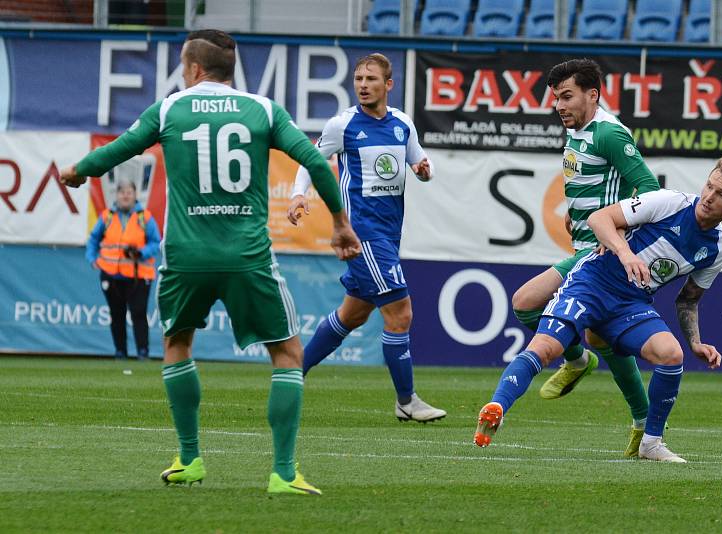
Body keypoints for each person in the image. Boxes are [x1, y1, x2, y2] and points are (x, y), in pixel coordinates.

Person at [59, 29, 361, 495]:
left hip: (185, 257)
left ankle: (189, 458)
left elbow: (119, 151)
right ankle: (283, 473)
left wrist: (78, 172)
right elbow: (318, 164)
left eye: (183, 66)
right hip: (247, 256)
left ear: (195, 69)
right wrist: (340, 224)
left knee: (178, 344)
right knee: (287, 354)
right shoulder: (262, 110)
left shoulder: (170, 109)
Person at [475, 156, 722, 462]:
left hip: (630, 305)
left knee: (672, 354)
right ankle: (497, 408)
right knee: (544, 347)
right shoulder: (670, 203)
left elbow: (688, 299)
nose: (709, 197)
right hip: (592, 284)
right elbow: (599, 219)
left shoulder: (717, 249)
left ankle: (651, 442)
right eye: (709, 186)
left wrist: (696, 342)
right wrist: (625, 252)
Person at [510, 58, 661, 456]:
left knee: (526, 304)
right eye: (556, 98)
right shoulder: (578, 131)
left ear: (592, 95)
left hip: (599, 256)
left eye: (567, 96)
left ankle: (579, 363)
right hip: (579, 248)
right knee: (598, 335)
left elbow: (648, 188)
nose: (559, 105)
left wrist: (618, 233)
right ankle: (637, 416)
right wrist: (574, 221)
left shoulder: (610, 133)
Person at [287, 53, 446, 423]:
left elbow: (422, 164)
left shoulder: (402, 123)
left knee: (352, 314)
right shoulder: (342, 125)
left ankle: (292, 375)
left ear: (388, 84)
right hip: (363, 235)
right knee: (400, 313)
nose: (362, 84)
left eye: (371, 79)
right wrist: (299, 194)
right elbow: (311, 160)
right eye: (358, 78)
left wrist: (424, 171)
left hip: (389, 234)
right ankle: (407, 401)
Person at [86, 178, 160, 361]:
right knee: (116, 314)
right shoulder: (107, 216)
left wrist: (141, 252)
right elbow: (93, 239)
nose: (125, 196)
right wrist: (92, 258)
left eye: (129, 192)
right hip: (111, 274)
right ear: (116, 195)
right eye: (122, 192)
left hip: (138, 275)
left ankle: (143, 352)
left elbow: (156, 242)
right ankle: (120, 352)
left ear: (135, 195)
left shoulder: (145, 217)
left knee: (138, 314)